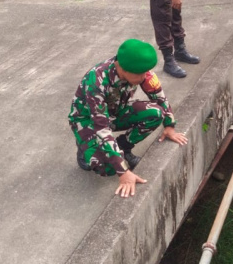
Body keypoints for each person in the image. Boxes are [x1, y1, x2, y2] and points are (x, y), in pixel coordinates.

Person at [69, 39, 189, 198]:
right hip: (88, 121)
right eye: (139, 74)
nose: (143, 77)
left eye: (145, 72)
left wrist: (170, 126)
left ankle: (123, 147)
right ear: (123, 68)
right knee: (109, 168)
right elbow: (102, 128)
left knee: (155, 114)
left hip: (116, 111)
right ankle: (83, 147)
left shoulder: (141, 71)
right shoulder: (97, 81)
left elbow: (159, 97)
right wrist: (123, 172)